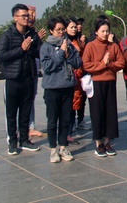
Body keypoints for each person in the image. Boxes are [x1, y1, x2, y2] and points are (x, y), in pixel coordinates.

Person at [0, 4, 42, 155]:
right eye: (23, 16)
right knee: (11, 112)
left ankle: (24, 140)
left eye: (27, 16)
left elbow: (39, 52)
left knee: (25, 111)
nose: (26, 18)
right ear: (15, 18)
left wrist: (30, 48)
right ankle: (12, 142)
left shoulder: (32, 34)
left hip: (28, 77)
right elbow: (2, 56)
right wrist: (21, 49)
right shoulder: (7, 35)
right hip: (13, 79)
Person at [82, 19, 126, 157]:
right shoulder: (90, 46)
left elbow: (121, 63)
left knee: (110, 113)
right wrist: (102, 64)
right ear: (96, 32)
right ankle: (98, 144)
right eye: (102, 31)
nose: (105, 33)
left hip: (110, 82)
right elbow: (86, 65)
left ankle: (107, 142)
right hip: (96, 83)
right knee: (97, 113)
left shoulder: (113, 46)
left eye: (107, 31)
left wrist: (109, 64)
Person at [40, 17, 81, 163]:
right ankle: (53, 149)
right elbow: (47, 67)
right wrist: (60, 53)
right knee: (52, 121)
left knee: (65, 120)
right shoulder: (46, 47)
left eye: (63, 29)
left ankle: (63, 147)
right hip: (52, 89)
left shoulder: (69, 45)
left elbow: (78, 62)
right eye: (58, 30)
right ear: (51, 31)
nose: (61, 32)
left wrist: (68, 55)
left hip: (67, 87)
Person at [27, 5, 47, 139]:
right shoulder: (22, 32)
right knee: (25, 99)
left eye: (34, 14)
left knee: (31, 98)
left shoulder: (33, 31)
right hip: (24, 71)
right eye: (30, 14)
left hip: (33, 69)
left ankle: (30, 126)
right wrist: (36, 38)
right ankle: (25, 127)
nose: (33, 17)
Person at [64, 18, 84, 144]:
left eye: (75, 27)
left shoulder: (79, 41)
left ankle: (70, 132)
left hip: (78, 77)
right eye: (71, 27)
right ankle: (65, 132)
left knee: (75, 105)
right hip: (67, 77)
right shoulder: (64, 42)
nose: (74, 29)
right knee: (67, 106)